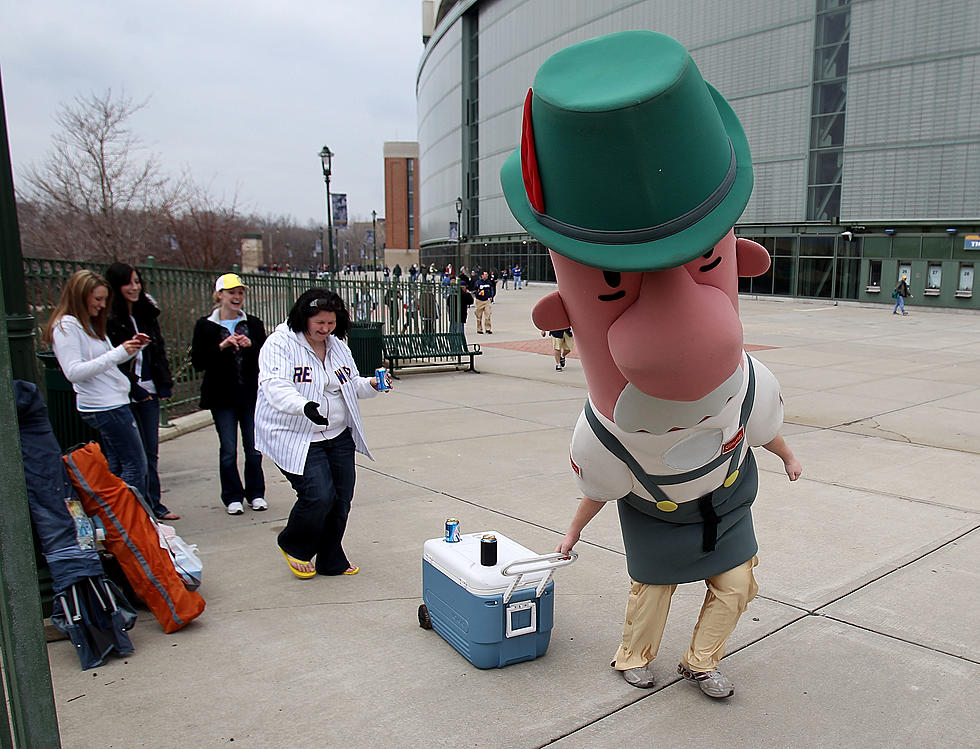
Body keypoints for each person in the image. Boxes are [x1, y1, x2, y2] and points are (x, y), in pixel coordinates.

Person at [254, 289, 387, 579]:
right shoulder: (280, 344)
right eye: (320, 323)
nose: (325, 329)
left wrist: (373, 385)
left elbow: (351, 384)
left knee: (341, 498)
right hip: (296, 434)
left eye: (331, 323)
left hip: (337, 434)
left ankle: (330, 557)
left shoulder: (337, 345)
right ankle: (293, 544)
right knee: (318, 495)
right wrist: (303, 406)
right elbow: (274, 385)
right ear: (304, 318)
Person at [45, 270, 149, 502]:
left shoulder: (87, 325)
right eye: (98, 299)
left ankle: (122, 522)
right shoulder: (66, 327)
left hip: (111, 402)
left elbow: (104, 362)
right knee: (135, 467)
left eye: (104, 300)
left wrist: (129, 349)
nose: (102, 306)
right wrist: (119, 353)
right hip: (105, 406)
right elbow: (74, 371)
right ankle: (133, 522)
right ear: (81, 297)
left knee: (117, 466)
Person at [105, 262, 179, 520]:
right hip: (122, 394)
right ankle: (129, 511)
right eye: (129, 282)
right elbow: (111, 360)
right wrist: (134, 388)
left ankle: (153, 504)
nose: (134, 287)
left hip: (149, 389)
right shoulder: (110, 319)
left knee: (149, 452)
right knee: (126, 457)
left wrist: (163, 383)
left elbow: (158, 350)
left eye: (138, 282)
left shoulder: (145, 314)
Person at [191, 273, 267, 516]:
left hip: (250, 396)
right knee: (228, 448)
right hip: (222, 397)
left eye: (240, 293)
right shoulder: (205, 325)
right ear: (220, 295)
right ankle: (232, 496)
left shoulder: (253, 324)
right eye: (232, 292)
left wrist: (251, 345)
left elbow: (267, 358)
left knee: (254, 448)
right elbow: (199, 361)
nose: (237, 297)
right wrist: (221, 347)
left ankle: (256, 493)